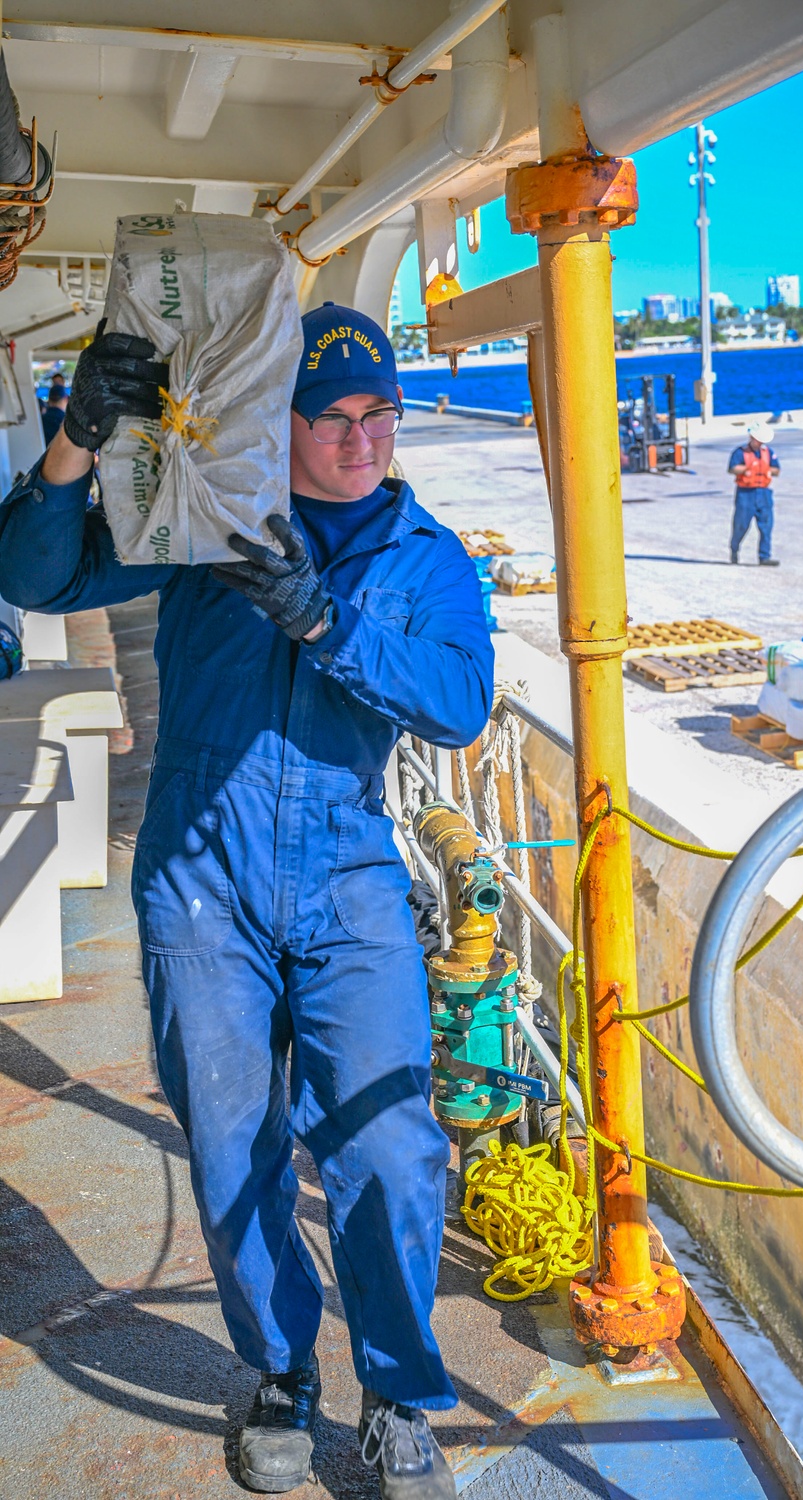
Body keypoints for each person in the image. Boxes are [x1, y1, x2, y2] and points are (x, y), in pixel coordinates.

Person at [0, 303, 494, 1499]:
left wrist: (328, 620)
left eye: (381, 414)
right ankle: (281, 1375)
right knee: (231, 1144)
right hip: (200, 872)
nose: (363, 440)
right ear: (280, 428)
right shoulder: (197, 519)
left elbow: (459, 697)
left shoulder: (422, 555)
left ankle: (398, 1390)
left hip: (346, 867)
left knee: (388, 1143)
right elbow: (34, 567)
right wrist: (74, 438)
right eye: (334, 418)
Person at [728, 420, 780, 566]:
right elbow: (732, 468)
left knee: (766, 526)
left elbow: (777, 470)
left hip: (763, 493)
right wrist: (748, 468)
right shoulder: (740, 452)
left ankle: (764, 556)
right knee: (741, 525)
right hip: (746, 493)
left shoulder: (768, 452)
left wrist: (765, 469)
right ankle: (734, 549)